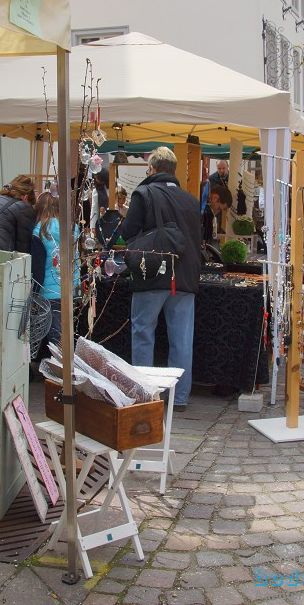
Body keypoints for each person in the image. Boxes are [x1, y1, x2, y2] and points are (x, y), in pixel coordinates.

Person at [115, 147, 202, 410]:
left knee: (143, 333)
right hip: (185, 276)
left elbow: (128, 231)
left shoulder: (144, 193)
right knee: (181, 340)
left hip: (152, 272)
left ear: (151, 169)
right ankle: (180, 398)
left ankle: (144, 394)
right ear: (173, 170)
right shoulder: (190, 199)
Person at [31, 192, 77, 351]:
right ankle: (67, 365)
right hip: (70, 288)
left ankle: (62, 370)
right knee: (66, 332)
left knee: (55, 335)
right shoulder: (72, 229)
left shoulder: (39, 230)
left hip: (48, 291)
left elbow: (37, 265)